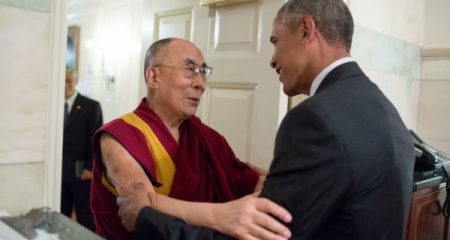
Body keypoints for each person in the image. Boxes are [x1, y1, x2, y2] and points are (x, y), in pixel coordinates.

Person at [117, 0, 416, 239]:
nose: (272, 58)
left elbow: (260, 233)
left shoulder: (315, 120)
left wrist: (149, 218)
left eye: (275, 41)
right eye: (189, 70)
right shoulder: (384, 108)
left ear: (306, 30)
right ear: (153, 75)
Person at [90, 38, 292, 240]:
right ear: (153, 77)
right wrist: (224, 215)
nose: (200, 83)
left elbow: (242, 178)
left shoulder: (206, 138)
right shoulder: (118, 136)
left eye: (203, 72)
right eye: (190, 69)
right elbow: (142, 209)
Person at [61, 68, 103, 231]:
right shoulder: (53, 105)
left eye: (68, 80)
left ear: (76, 81)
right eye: (62, 80)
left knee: (85, 217)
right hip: (60, 174)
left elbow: (96, 140)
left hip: (82, 174)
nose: (65, 85)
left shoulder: (91, 106)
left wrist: (90, 167)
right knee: (61, 216)